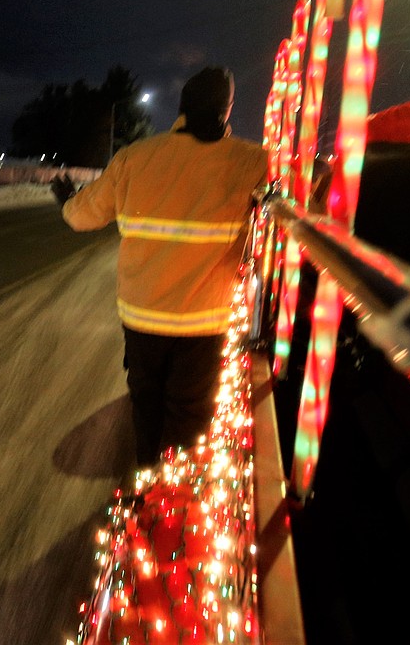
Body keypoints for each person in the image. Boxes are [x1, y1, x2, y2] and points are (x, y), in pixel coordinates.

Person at [50, 65, 268, 468]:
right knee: (189, 417)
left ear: (181, 109)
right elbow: (305, 190)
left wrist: (66, 200)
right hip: (204, 323)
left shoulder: (135, 158)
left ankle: (147, 488)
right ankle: (174, 508)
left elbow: (81, 217)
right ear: (227, 109)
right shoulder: (250, 161)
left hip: (142, 318)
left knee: (146, 406)